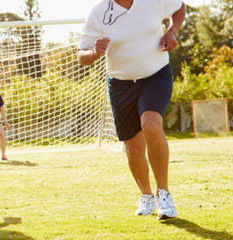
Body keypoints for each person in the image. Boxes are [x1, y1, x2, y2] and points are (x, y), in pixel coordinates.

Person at [77, 0, 186, 220]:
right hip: (121, 83)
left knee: (151, 123)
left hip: (156, 75)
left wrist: (172, 32)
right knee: (133, 146)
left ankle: (164, 195)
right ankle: (146, 196)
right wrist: (93, 53)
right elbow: (82, 54)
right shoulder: (98, 13)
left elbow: (180, 7)